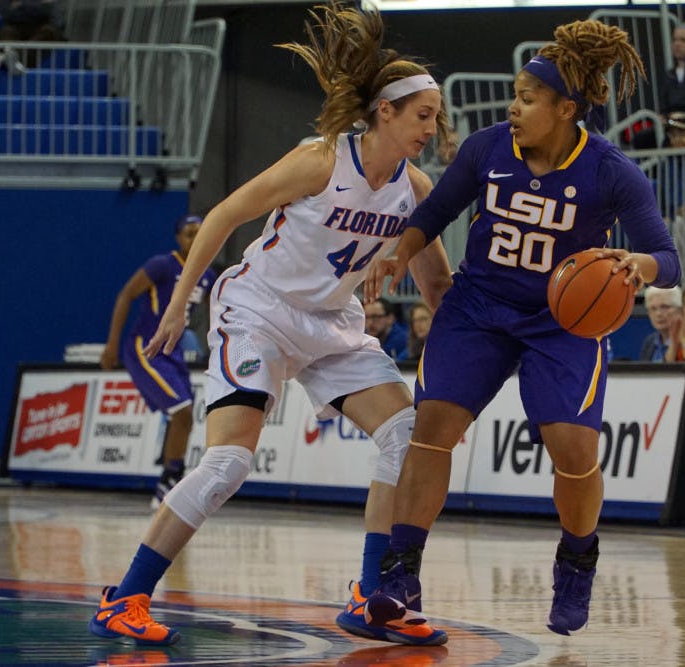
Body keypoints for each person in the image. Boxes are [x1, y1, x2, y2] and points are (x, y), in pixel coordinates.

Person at [88, 1, 454, 648]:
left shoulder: (415, 189)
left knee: (406, 431)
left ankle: (373, 596)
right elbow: (225, 214)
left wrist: (467, 340)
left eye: (438, 116)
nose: (433, 126)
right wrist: (178, 304)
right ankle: (125, 596)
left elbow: (437, 284)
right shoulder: (319, 160)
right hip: (258, 309)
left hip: (332, 324)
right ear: (385, 112)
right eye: (423, 114)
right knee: (228, 463)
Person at [361, 19, 680, 638]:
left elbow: (667, 259)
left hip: (561, 323)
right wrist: (402, 250)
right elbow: (434, 211)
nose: (513, 106)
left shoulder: (612, 171)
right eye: (514, 94)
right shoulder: (486, 149)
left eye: (527, 98)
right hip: (479, 306)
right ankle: (400, 574)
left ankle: (577, 557)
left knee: (573, 449)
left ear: (566, 108)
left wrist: (634, 265)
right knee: (432, 430)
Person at [101, 214, 216, 510]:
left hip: (173, 351)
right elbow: (126, 295)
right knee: (182, 411)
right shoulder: (162, 265)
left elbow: (216, 310)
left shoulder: (207, 273)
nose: (195, 238)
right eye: (189, 233)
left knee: (186, 416)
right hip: (146, 347)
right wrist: (112, 344)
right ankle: (169, 484)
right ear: (178, 238)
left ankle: (171, 478)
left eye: (200, 233)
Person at [0, 0, 65, 72]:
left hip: (42, 28)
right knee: (5, 31)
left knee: (50, 32)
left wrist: (21, 4)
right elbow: (7, 14)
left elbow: (57, 18)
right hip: (15, 26)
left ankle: (9, 59)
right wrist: (41, 5)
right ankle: (11, 58)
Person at [639, 286, 683, 362]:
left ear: (680, 309)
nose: (658, 314)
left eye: (665, 307)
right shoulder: (650, 342)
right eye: (653, 308)